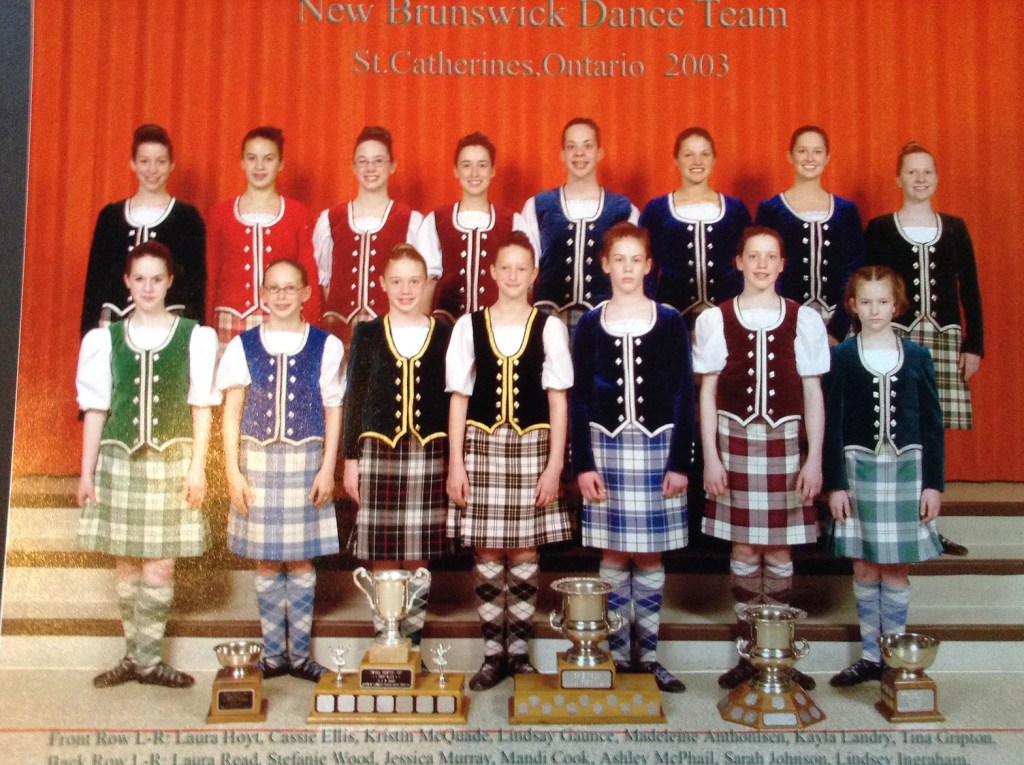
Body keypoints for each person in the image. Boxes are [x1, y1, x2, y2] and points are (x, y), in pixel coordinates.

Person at [76, 240, 219, 688]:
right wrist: (85, 472)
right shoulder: (105, 338)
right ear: (126, 282)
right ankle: (133, 657)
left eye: (157, 278)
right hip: (118, 460)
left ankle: (150, 659)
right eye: (140, 278)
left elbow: (202, 406)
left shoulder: (195, 335)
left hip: (172, 460)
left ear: (170, 280)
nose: (148, 286)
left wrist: (198, 467)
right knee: (126, 564)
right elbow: (96, 408)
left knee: (160, 564)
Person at [693, 226, 830, 691]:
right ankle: (750, 654)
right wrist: (711, 457)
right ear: (739, 262)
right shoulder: (717, 318)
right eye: (753, 255)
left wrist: (813, 460)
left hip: (787, 443)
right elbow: (708, 393)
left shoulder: (803, 318)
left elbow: (813, 393)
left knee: (780, 548)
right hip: (733, 442)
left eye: (771, 256)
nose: (762, 264)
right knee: (746, 549)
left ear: (782, 264)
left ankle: (781, 654)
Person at [446, 232, 574, 690]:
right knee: (485, 549)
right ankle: (492, 654)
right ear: (494, 272)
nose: (514, 276)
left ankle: (518, 652)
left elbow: (558, 401)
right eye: (507, 268)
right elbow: (459, 399)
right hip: (481, 448)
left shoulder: (550, 326)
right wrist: (456, 464)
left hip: (532, 451)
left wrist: (556, 465)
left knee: (523, 550)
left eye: (523, 268)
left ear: (533, 274)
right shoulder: (469, 325)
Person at [570, 222, 694, 693]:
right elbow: (579, 396)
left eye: (634, 260)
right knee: (614, 552)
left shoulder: (668, 320)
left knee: (649, 554)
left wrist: (680, 461)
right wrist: (582, 464)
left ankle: (650, 655)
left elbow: (683, 391)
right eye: (617, 259)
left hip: (658, 450)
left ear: (648, 265)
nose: (626, 268)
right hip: (605, 450)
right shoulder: (588, 323)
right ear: (605, 265)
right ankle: (616, 654)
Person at [217, 259, 343, 682]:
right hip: (257, 462)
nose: (283, 295)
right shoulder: (242, 345)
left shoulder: (326, 345)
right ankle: (273, 654)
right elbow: (231, 413)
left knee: (302, 561)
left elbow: (333, 410)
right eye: (275, 288)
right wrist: (232, 472)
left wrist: (328, 468)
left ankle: (301, 654)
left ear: (307, 293)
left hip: (307, 461)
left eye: (292, 288)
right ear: (263, 294)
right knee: (267, 562)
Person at [824, 266, 944, 685]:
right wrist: (835, 483)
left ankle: (895, 655)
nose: (875, 310)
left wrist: (934, 484)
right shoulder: (840, 357)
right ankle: (871, 654)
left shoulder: (917, 356)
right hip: (859, 470)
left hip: (907, 471)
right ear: (852, 305)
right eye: (866, 302)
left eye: (883, 302)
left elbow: (932, 423)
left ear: (897, 305)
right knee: (864, 567)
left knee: (894, 567)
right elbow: (833, 426)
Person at [342, 244, 451, 647]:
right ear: (383, 284)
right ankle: (387, 639)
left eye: (414, 281)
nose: (406, 290)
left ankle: (413, 640)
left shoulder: (444, 333)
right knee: (385, 549)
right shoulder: (368, 332)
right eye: (397, 281)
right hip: (378, 452)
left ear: (426, 285)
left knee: (419, 549)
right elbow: (354, 398)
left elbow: (455, 398)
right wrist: (350, 460)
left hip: (428, 453)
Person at [81, 124, 206, 335]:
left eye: (161, 161)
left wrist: (195, 334)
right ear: (133, 164)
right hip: (115, 321)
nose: (152, 170)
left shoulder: (187, 217)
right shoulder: (110, 217)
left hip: (169, 324)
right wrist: (88, 336)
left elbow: (196, 285)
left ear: (171, 165)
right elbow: (94, 283)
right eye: (144, 161)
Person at [206, 126, 321, 353]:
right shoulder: (220, 214)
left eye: (268, 159)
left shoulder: (297, 213)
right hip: (229, 319)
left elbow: (309, 274)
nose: (259, 166)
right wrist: (208, 327)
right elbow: (212, 275)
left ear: (280, 164)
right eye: (252, 158)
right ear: (242, 162)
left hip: (282, 317)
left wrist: (312, 327)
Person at [522, 117, 639, 333]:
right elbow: (525, 272)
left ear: (599, 152)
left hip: (606, 318)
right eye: (571, 147)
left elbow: (633, 272)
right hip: (549, 319)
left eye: (587, 146)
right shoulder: (537, 206)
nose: (579, 154)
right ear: (562, 154)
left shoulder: (624, 210)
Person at [314, 126, 428, 344]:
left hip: (390, 331)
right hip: (339, 331)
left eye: (378, 161)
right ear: (353, 167)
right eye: (363, 161)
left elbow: (419, 282)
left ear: (392, 166)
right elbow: (326, 283)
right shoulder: (330, 220)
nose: (370, 168)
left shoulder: (410, 221)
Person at [754, 125, 864, 343]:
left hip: (838, 317)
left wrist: (837, 329)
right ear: (790, 156)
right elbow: (761, 268)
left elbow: (854, 271)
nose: (810, 158)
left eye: (817, 151)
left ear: (827, 157)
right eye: (802, 151)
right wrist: (783, 318)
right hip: (783, 316)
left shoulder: (846, 211)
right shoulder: (770, 209)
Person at [639, 127, 750, 328]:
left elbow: (748, 264)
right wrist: (654, 310)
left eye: (704, 154)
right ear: (676, 160)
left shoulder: (736, 210)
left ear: (714, 159)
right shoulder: (656, 210)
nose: (697, 161)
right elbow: (646, 268)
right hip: (673, 317)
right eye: (688, 155)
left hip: (727, 316)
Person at [416, 132, 528, 324]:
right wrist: (423, 332)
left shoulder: (514, 221)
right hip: (447, 328)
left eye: (482, 165)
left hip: (498, 326)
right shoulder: (435, 221)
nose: (474, 173)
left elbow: (525, 283)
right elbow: (427, 282)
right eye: (466, 165)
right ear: (456, 171)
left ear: (493, 170)